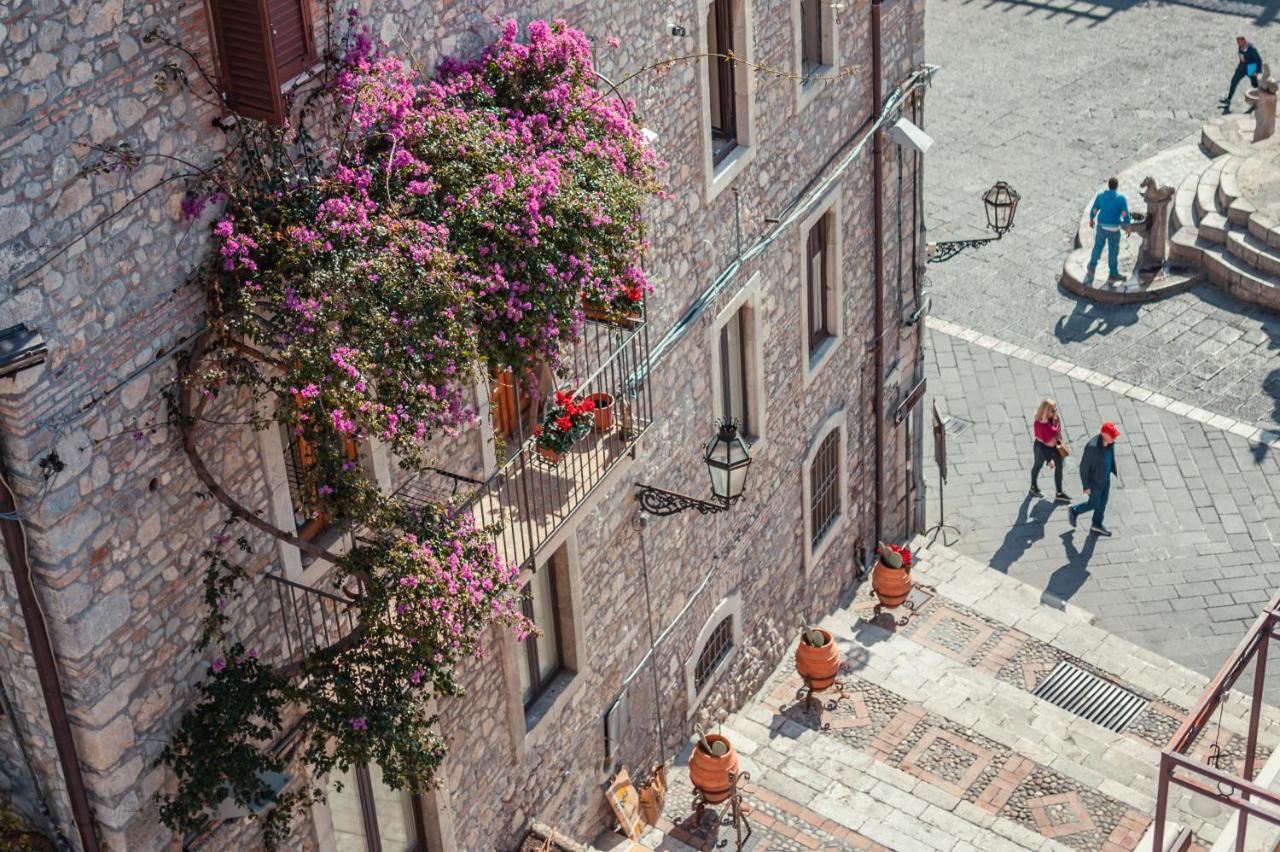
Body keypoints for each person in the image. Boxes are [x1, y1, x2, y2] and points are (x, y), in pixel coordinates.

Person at [1068, 421, 1121, 537]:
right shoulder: (1092, 448)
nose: (1115, 438)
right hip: (1095, 483)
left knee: (1103, 503)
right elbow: (1083, 468)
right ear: (1104, 434)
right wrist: (1086, 486)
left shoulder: (1110, 443)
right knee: (1094, 503)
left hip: (1105, 479)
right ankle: (1074, 510)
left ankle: (1096, 524)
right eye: (1113, 436)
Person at [1087, 178, 1132, 282]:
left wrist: (1091, 218)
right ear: (1117, 186)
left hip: (1101, 227)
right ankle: (1113, 273)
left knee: (1098, 247)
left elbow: (1095, 209)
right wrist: (1128, 226)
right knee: (1113, 252)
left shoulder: (1100, 196)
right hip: (1114, 229)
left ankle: (1092, 266)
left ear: (1108, 185)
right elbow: (1125, 214)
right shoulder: (1121, 198)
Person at [1029, 398, 1071, 503]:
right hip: (1042, 449)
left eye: (1055, 409)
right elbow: (1042, 444)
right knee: (1037, 466)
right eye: (1053, 410)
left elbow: (1058, 432)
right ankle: (1033, 487)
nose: (1055, 411)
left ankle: (1059, 493)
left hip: (1055, 447)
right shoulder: (1039, 424)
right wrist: (1048, 460)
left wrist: (1061, 443)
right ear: (1046, 411)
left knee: (1059, 467)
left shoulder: (1054, 418)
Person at [1221, 37, 1264, 112]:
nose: (1239, 44)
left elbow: (1259, 60)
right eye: (1238, 42)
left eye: (1240, 42)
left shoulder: (1252, 49)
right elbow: (1241, 58)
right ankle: (1228, 99)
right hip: (1241, 68)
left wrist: (1258, 72)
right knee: (1233, 82)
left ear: (1244, 41)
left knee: (1255, 85)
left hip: (1251, 68)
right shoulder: (1240, 47)